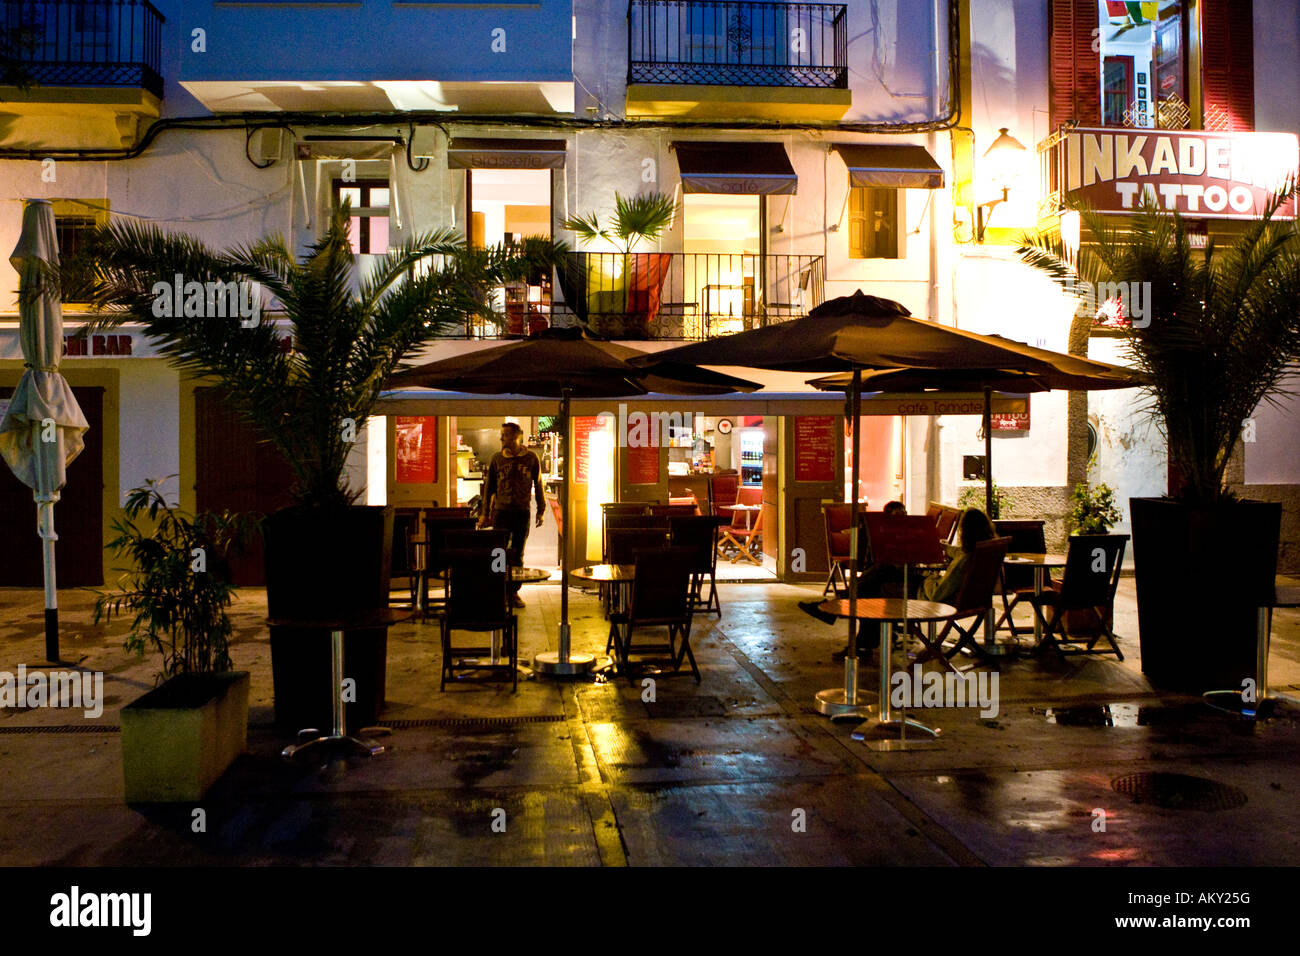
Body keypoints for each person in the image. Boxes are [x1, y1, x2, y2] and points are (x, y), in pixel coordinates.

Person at [479, 422, 545, 608]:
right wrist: (485, 514)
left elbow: (538, 485)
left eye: (505, 435)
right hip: (501, 512)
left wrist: (541, 510)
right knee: (498, 552)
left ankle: (513, 591)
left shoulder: (531, 459)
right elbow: (489, 489)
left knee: (517, 552)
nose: (501, 439)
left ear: (517, 436)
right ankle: (498, 590)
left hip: (522, 512)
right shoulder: (497, 459)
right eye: (502, 435)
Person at [922, 507, 996, 605]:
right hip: (974, 600)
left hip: (946, 603)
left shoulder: (963, 562)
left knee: (908, 583)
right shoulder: (981, 552)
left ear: (965, 533)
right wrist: (943, 547)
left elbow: (935, 595)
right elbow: (958, 551)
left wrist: (929, 575)